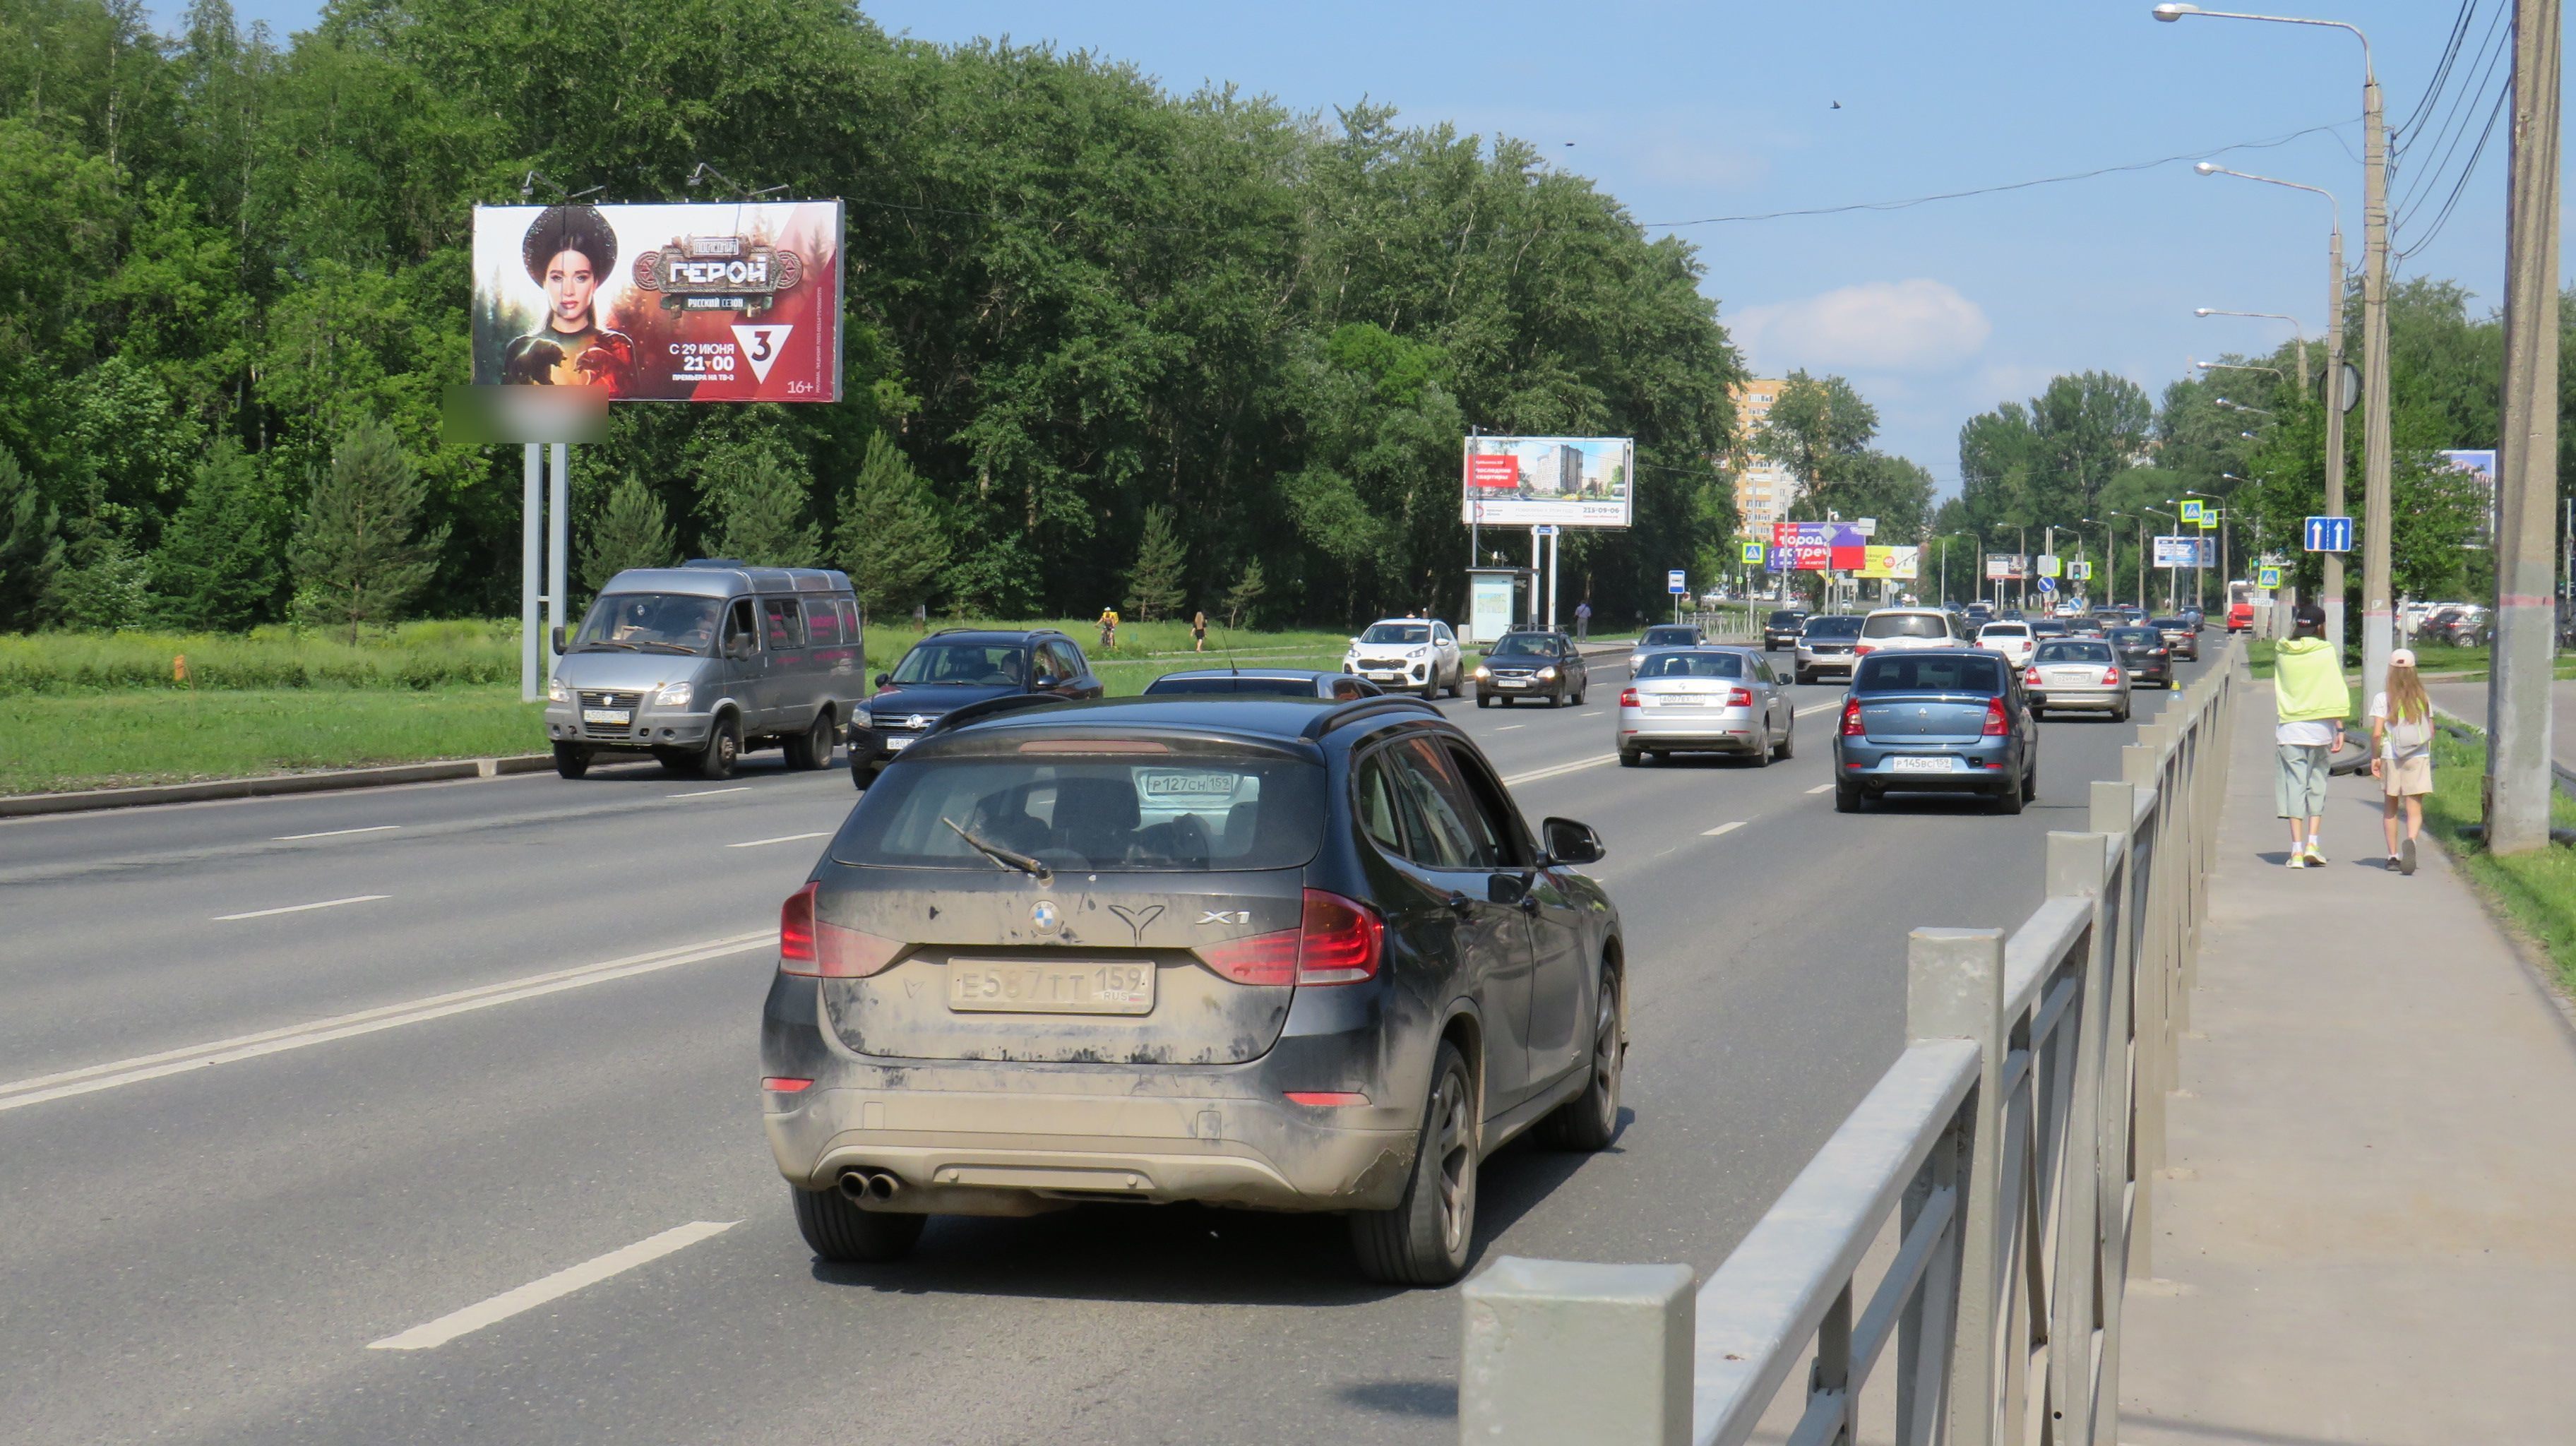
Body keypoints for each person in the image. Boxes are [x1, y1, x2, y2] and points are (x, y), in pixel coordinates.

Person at [501, 204, 636, 393]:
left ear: (595, 282)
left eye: (581, 277)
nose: (568, 291)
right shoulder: (521, 348)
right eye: (557, 278)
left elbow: (630, 407)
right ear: (544, 282)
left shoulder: (617, 347)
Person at [2272, 602, 2349, 868]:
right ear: (2321, 626)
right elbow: (2333, 690)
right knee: (2317, 786)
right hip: (2320, 731)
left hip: (2290, 729)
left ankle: (2295, 850)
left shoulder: (2282, 652)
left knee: (2294, 786)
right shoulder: (2326, 652)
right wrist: (2339, 727)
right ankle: (2313, 844)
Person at [2368, 647, 2435, 875]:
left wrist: (2375, 757)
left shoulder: (2382, 698)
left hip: (2391, 755)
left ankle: (2393, 856)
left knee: (2390, 808)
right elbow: (2430, 730)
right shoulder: (2423, 697)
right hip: (2417, 755)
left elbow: (2377, 733)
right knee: (2414, 809)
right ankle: (2412, 843)